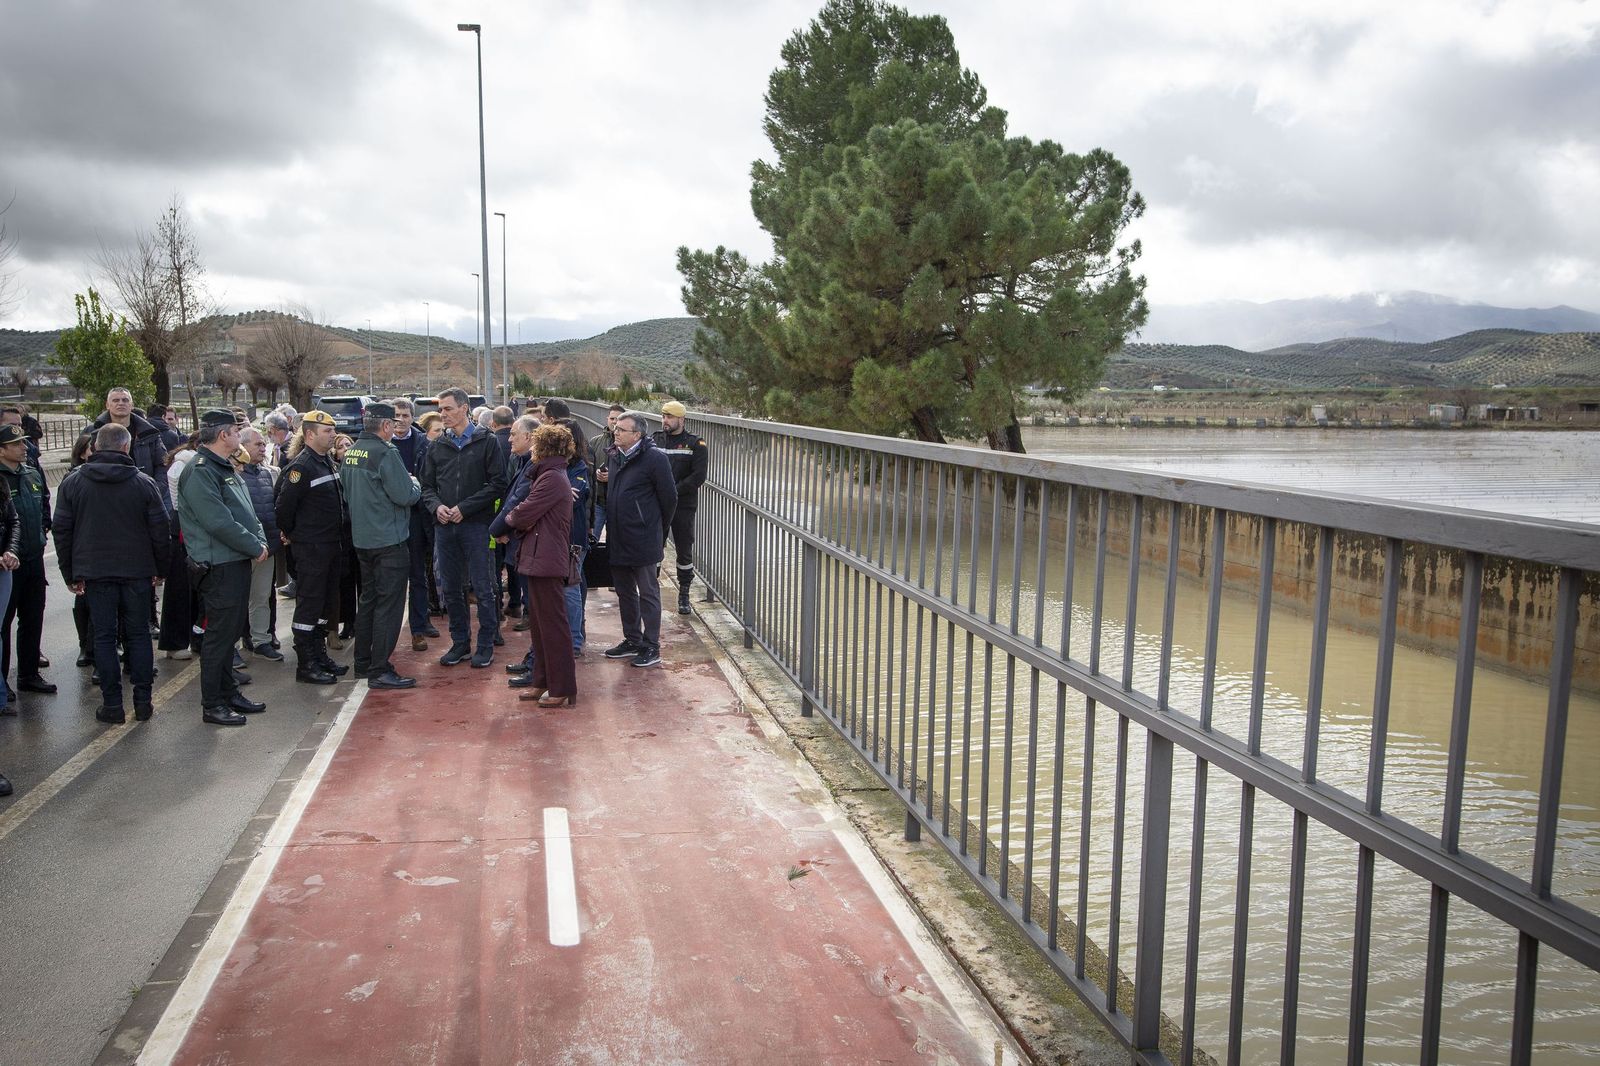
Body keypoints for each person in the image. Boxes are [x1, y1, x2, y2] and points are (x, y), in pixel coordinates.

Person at [53, 423, 171, 724]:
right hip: (137, 572)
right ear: (126, 447)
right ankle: (143, 703)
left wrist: (70, 573)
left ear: (95, 447)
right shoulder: (143, 483)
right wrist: (160, 569)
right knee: (139, 635)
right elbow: (161, 531)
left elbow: (62, 531)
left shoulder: (73, 482)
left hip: (95, 573)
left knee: (104, 638)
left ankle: (112, 705)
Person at [175, 411, 269, 727]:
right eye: (235, 431)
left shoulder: (223, 467)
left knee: (228, 634)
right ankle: (212, 703)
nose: (239, 436)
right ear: (223, 435)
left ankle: (229, 694)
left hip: (234, 561)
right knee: (218, 638)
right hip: (218, 565)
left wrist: (258, 537)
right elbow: (217, 521)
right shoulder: (201, 471)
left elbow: (246, 511)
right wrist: (253, 545)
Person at [419, 387, 507, 669]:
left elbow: (497, 484)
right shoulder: (437, 446)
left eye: (446, 408)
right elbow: (427, 486)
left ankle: (485, 644)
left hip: (477, 527)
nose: (442, 414)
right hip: (445, 528)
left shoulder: (487, 442)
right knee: (452, 589)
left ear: (464, 408)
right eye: (440, 409)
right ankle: (460, 643)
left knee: (483, 587)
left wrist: (464, 508)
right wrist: (437, 507)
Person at [340, 402, 422, 689]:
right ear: (386, 426)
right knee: (389, 606)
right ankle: (379, 668)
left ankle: (362, 663)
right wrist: (416, 484)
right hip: (389, 539)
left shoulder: (351, 453)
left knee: (369, 602)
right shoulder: (385, 453)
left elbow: (347, 495)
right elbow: (404, 494)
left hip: (363, 539)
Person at [504, 424, 579, 706]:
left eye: (535, 445)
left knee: (553, 627)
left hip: (546, 559)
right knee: (539, 624)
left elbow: (525, 511)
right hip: (539, 557)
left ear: (545, 448)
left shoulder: (551, 478)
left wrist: (509, 521)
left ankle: (561, 688)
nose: (531, 449)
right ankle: (542, 681)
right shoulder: (550, 475)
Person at [275, 410, 348, 685]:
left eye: (332, 430)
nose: (332, 435)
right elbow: (283, 509)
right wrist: (296, 535)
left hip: (330, 545)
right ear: (309, 434)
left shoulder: (325, 462)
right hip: (312, 548)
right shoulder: (301, 467)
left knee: (324, 604)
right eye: (327, 431)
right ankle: (306, 663)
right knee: (309, 604)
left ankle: (319, 657)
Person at [603, 413, 676, 668]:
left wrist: (657, 530)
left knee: (647, 592)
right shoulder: (614, 455)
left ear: (637, 435)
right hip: (618, 535)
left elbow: (669, 499)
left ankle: (651, 645)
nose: (616, 432)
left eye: (622, 429)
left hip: (643, 537)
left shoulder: (655, 458)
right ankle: (632, 639)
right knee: (624, 591)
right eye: (615, 428)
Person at [0, 423, 54, 700]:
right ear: (2, 450)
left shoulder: (31, 472)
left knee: (32, 618)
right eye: (17, 444)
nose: (24, 447)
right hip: (8, 565)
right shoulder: (2, 481)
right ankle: (2, 682)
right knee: (4, 624)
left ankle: (29, 674)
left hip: (34, 558)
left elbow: (44, 503)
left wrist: (43, 528)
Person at [491, 416, 538, 683]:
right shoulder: (525, 462)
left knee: (539, 609)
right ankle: (534, 659)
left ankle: (538, 666)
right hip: (524, 544)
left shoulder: (534, 466)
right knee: (535, 607)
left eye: (515, 434)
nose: (509, 438)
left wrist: (497, 529)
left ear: (530, 437)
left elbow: (518, 502)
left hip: (530, 546)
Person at [389, 399, 438, 653]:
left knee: (418, 573)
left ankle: (419, 628)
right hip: (389, 518)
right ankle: (388, 632)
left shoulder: (423, 444)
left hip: (417, 517)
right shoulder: (382, 445)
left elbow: (431, 479)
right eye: (396, 415)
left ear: (412, 417)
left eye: (405, 415)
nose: (400, 420)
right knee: (391, 579)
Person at [652, 400, 709, 615]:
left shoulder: (695, 444)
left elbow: (698, 476)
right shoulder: (655, 440)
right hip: (657, 504)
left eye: (670, 417)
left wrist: (673, 491)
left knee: (684, 550)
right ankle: (651, 591)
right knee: (655, 546)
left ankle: (684, 594)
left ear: (681, 420)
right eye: (663, 416)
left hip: (683, 505)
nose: (665, 420)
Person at [88, 387, 174, 514]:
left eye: (125, 400)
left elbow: (163, 465)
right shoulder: (92, 433)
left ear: (132, 405)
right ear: (107, 405)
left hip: (142, 500)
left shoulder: (149, 433)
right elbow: (81, 462)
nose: (121, 403)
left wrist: (152, 490)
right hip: (103, 501)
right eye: (116, 400)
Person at [236, 428, 283, 662]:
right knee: (236, 600)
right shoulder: (233, 475)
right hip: (242, 550)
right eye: (257, 444)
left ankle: (261, 640)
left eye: (264, 444)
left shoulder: (268, 474)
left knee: (261, 597)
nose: (263, 448)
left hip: (268, 547)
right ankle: (233, 646)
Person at [588, 404, 624, 539]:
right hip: (598, 501)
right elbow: (586, 468)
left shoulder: (628, 444)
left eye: (618, 419)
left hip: (618, 504)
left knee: (616, 543)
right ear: (607, 418)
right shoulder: (595, 441)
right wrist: (596, 473)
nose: (614, 422)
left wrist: (612, 477)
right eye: (612, 418)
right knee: (592, 540)